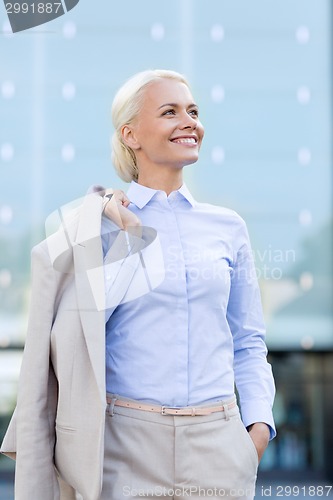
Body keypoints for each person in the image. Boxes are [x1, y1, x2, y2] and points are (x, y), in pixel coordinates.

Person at [1, 69, 276, 500]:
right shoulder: (98, 227)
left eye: (193, 111)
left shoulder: (228, 227)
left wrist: (256, 428)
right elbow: (70, 339)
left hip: (218, 444)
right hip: (122, 444)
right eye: (170, 112)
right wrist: (102, 218)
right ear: (131, 135)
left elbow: (248, 341)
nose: (189, 122)